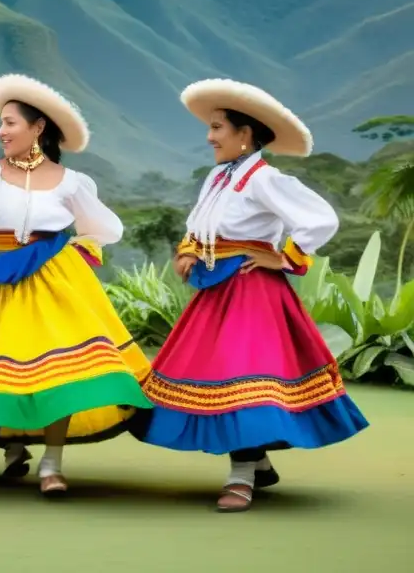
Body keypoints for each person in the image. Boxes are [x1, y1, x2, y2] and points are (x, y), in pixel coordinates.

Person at [132, 78, 369, 513]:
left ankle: (240, 478)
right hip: (216, 289)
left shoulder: (265, 179)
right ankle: (257, 463)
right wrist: (188, 251)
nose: (209, 136)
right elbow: (200, 224)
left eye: (218, 127)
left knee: (240, 380)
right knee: (215, 379)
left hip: (251, 291)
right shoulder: (218, 178)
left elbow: (319, 218)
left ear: (244, 135)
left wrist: (286, 257)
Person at [0, 74, 153, 496]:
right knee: (11, 366)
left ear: (38, 128)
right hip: (2, 279)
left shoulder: (70, 181)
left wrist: (84, 253)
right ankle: (13, 443)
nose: (2, 131)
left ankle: (52, 462)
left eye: (11, 122)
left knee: (61, 371)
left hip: (56, 281)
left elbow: (100, 228)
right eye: (1, 122)